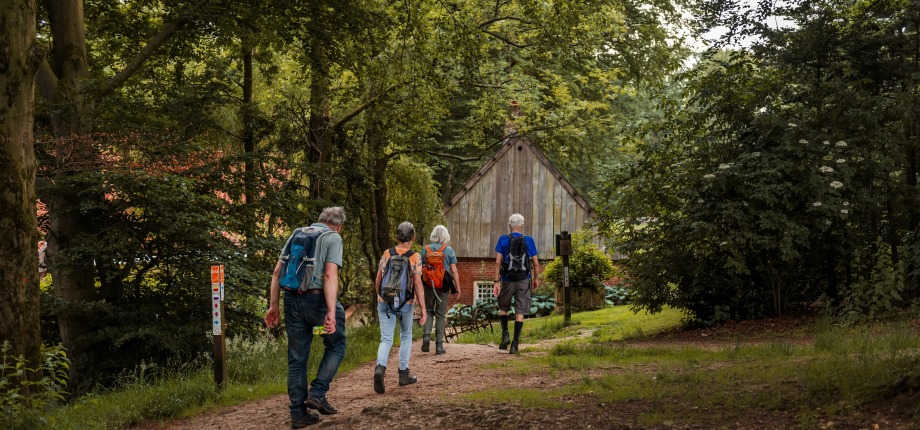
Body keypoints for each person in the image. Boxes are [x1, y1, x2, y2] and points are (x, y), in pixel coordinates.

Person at [265, 207, 347, 429]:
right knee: (336, 343)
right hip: (317, 300)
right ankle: (318, 392)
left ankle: (298, 414)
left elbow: (276, 273)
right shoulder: (333, 238)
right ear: (338, 225)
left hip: (291, 300)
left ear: (320, 220)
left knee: (297, 358)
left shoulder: (297, 232)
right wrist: (330, 310)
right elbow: (329, 275)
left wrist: (274, 306)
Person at [373, 221, 427, 394]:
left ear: (397, 237)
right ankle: (403, 374)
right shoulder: (415, 256)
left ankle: (380, 368)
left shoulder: (387, 253)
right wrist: (423, 308)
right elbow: (417, 283)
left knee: (386, 338)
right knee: (405, 336)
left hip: (385, 302)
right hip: (405, 304)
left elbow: (378, 279)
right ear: (413, 238)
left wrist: (380, 297)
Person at [492, 213, 541, 354]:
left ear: (509, 225)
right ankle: (515, 344)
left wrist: (496, 281)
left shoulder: (503, 239)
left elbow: (497, 262)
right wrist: (536, 279)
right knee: (520, 310)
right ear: (522, 225)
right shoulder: (529, 240)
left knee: (504, 307)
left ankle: (505, 335)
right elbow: (536, 263)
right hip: (523, 280)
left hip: (507, 280)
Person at [420, 225, 461, 354]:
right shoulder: (448, 250)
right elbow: (454, 271)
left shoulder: (425, 250)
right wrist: (457, 288)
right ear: (445, 236)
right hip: (443, 286)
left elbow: (419, 270)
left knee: (428, 311)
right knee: (440, 314)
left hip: (428, 284)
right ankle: (438, 345)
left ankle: (426, 336)